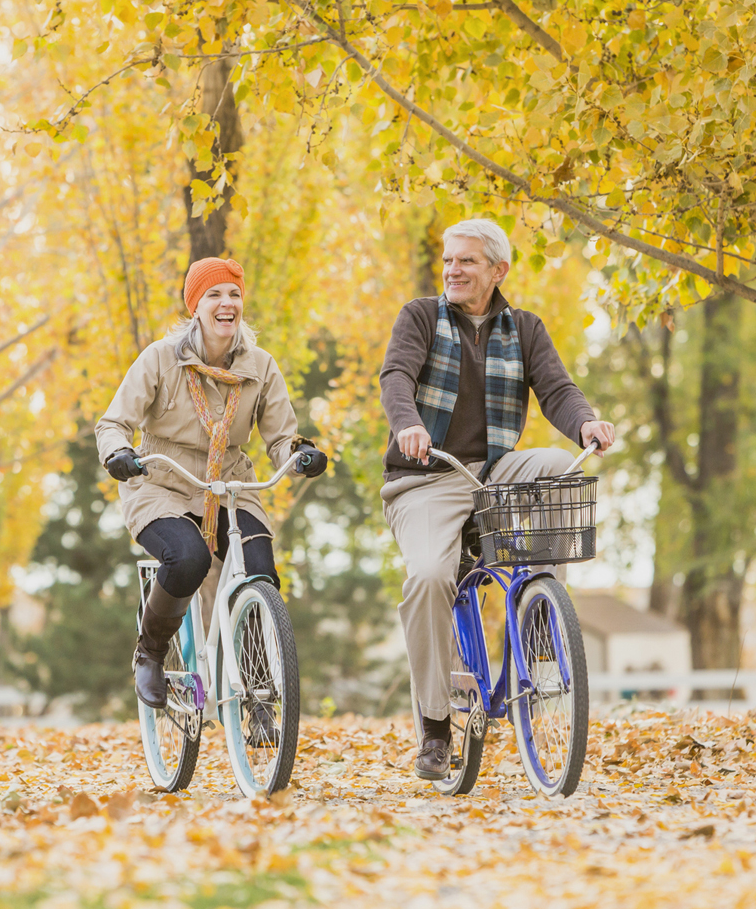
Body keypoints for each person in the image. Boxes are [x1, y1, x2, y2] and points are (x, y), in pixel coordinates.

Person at [379, 219, 616, 780]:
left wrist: (586, 424)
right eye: (448, 261)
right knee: (431, 577)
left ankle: (539, 610)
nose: (453, 270)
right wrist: (408, 425)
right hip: (428, 477)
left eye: (466, 262)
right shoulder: (420, 317)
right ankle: (435, 728)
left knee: (561, 468)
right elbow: (396, 376)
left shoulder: (523, 328)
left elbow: (557, 389)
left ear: (498, 270)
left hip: (494, 474)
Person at [97, 256, 328, 713]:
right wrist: (118, 454)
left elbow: (281, 437)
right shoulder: (161, 359)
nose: (227, 303)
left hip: (231, 485)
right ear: (195, 307)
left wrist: (300, 455)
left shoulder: (260, 366)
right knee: (189, 559)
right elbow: (112, 422)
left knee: (260, 574)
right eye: (214, 295)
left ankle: (258, 692)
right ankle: (151, 651)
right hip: (163, 481)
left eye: (235, 294)